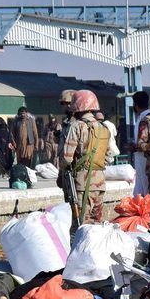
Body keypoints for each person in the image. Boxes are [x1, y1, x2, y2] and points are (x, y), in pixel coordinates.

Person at [58, 90, 110, 227]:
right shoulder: (103, 128)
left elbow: (66, 159)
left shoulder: (77, 127)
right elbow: (108, 156)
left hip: (82, 184)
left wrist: (63, 174)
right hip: (100, 183)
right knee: (97, 224)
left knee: (81, 225)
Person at [131, 90, 150, 196]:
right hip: (141, 160)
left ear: (135, 104)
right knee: (141, 187)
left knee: (146, 186)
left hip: (146, 160)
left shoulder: (145, 119)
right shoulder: (141, 118)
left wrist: (134, 147)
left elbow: (144, 143)